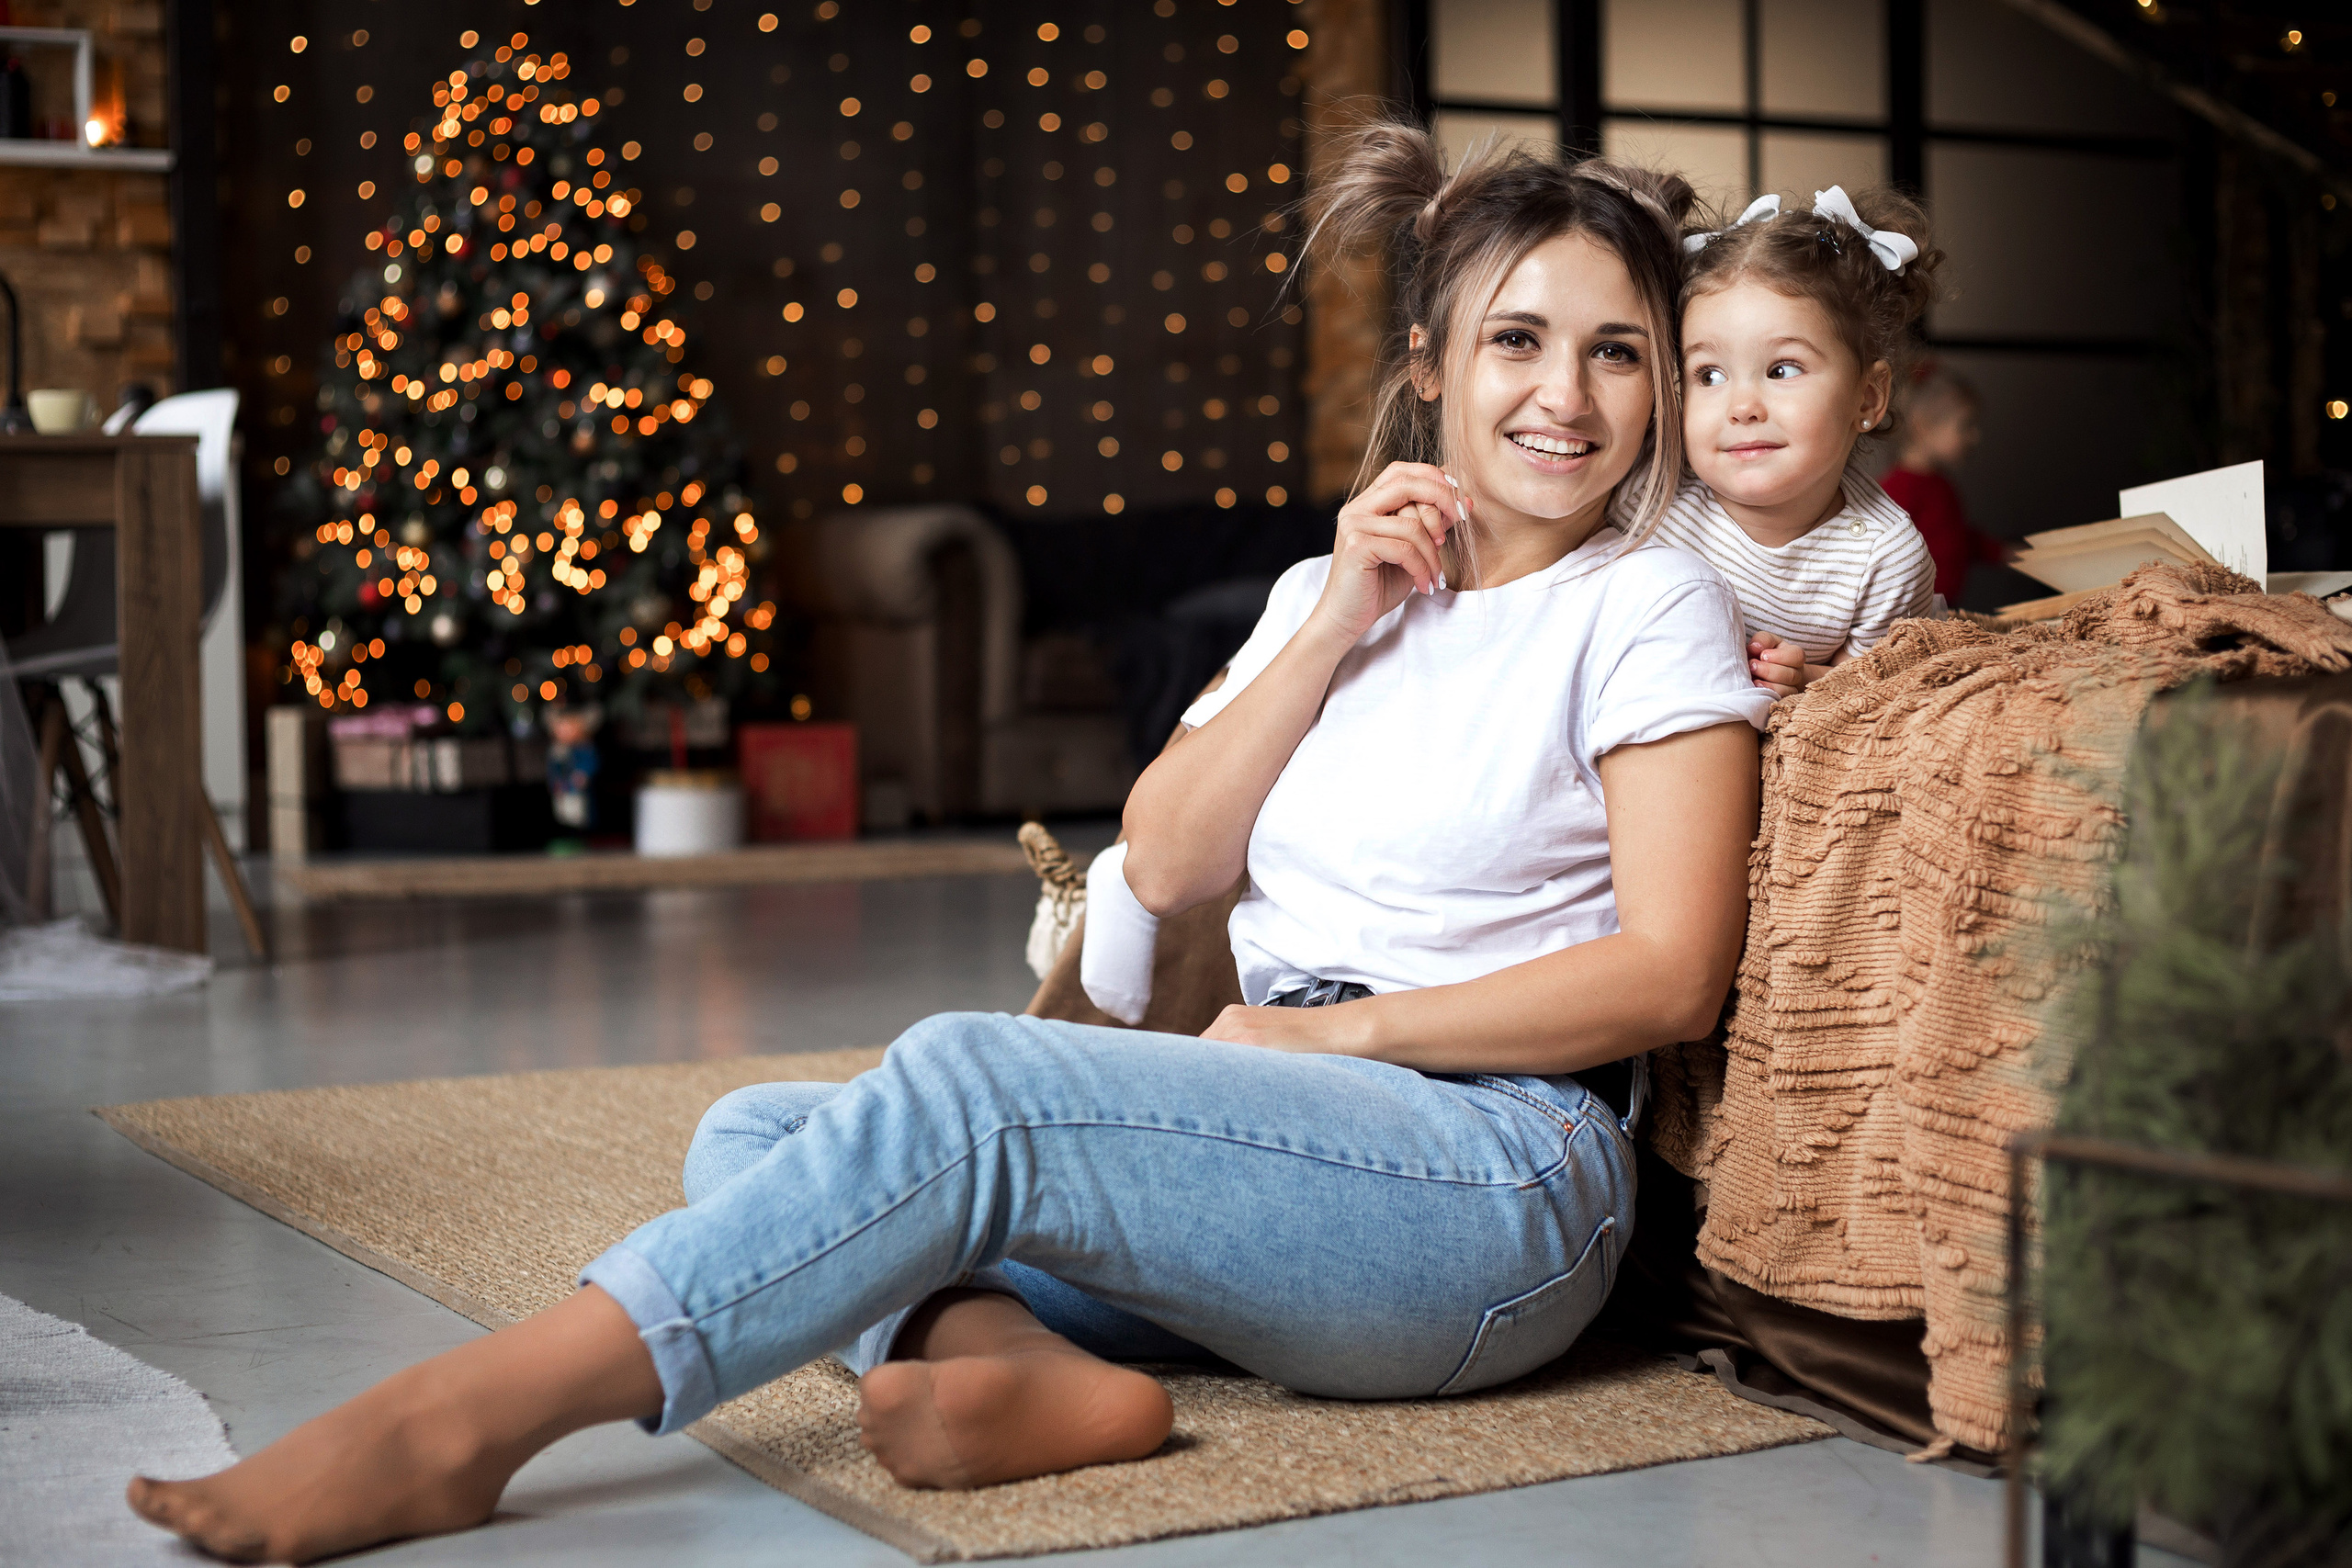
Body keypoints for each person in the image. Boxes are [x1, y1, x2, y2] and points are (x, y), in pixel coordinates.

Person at [126, 123, 1774, 1566]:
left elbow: (1669, 972)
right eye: (1517, 341)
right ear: (1428, 364)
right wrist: (1339, 616)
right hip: (1288, 1140)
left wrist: (1339, 1035)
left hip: (1489, 1184)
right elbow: (1168, 860)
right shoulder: (1324, 590)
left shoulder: (1647, 605)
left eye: (1619, 354)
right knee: (758, 1130)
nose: (1565, 396)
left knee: (967, 1084)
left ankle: (466, 1419)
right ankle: (1021, 1371)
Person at [1644, 186, 1941, 699]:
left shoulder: (1885, 558)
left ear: (1868, 397)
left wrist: (1805, 678)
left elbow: (1877, 688)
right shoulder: (1652, 487)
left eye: (1782, 370)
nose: (1742, 406)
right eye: (1709, 375)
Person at [1879, 364, 2003, 604]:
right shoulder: (1897, 490)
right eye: (1965, 425)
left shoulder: (1941, 485)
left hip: (1943, 611)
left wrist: (2004, 553)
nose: (1975, 436)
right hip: (1910, 614)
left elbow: (1954, 538)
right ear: (1923, 426)